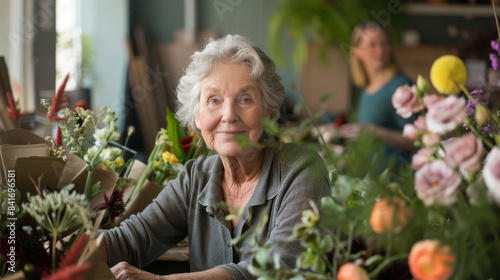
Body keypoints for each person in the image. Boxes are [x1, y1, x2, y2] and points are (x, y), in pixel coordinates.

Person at [99, 34, 331, 280]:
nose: (228, 115)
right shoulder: (195, 178)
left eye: (245, 99)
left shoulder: (303, 171)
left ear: (268, 110)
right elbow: (133, 239)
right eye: (213, 100)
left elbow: (276, 268)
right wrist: (65, 250)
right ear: (197, 116)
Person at [338, 21, 417, 169]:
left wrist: (375, 132)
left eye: (385, 43)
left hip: (394, 181)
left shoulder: (402, 87)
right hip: (370, 179)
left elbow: (417, 141)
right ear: (357, 50)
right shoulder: (366, 89)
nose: (380, 50)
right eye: (372, 45)